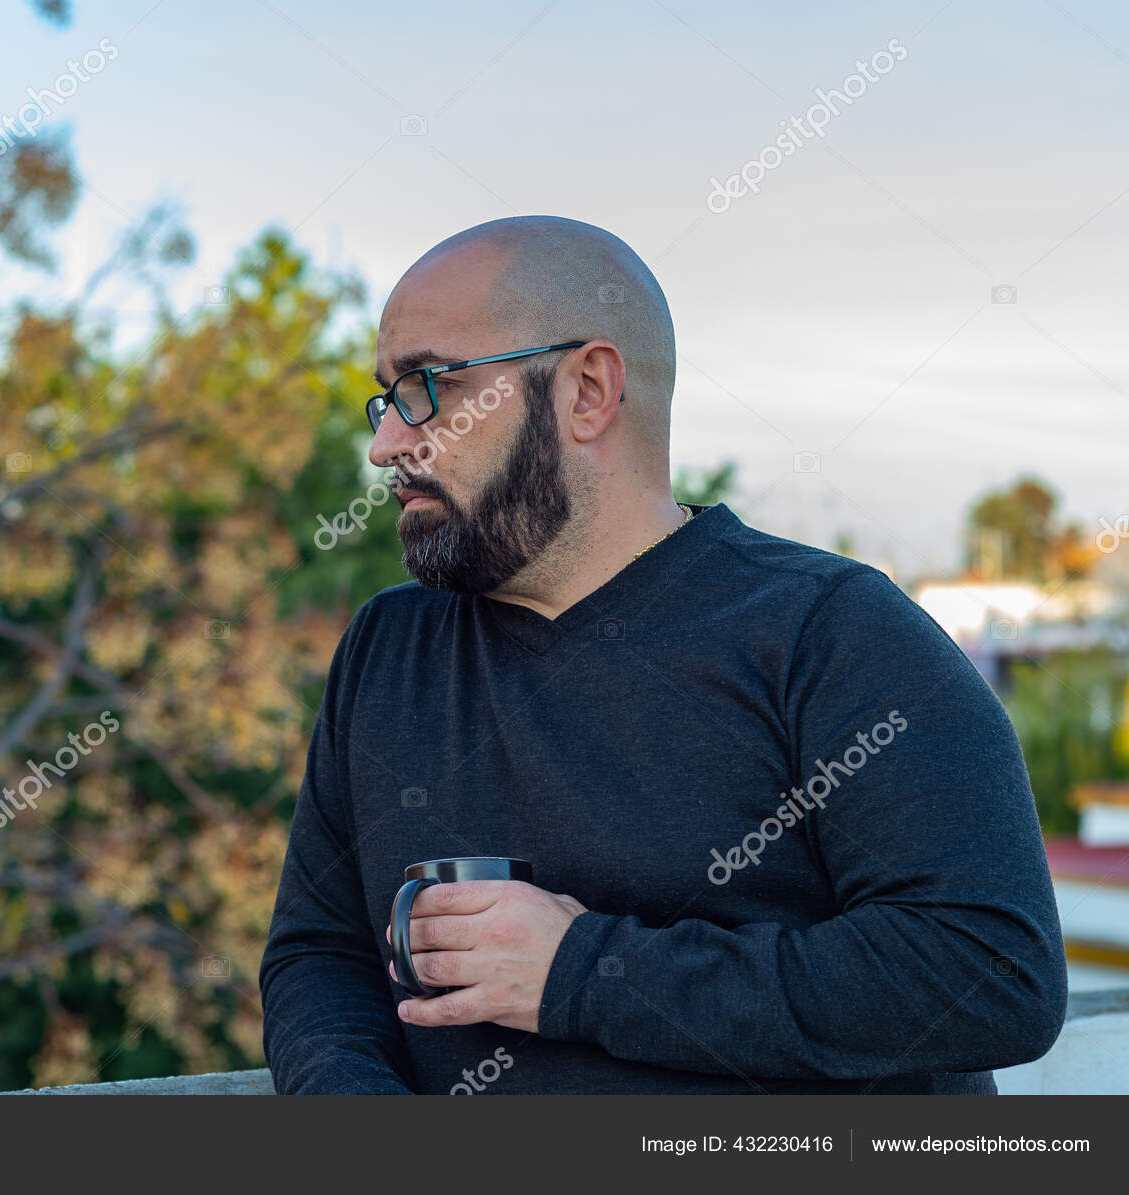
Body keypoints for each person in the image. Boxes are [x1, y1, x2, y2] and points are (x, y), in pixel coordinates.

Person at [257, 215, 1067, 1094]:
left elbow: (991, 973)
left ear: (587, 390)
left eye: (427, 387)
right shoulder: (388, 650)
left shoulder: (831, 632)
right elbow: (320, 954)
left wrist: (582, 972)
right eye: (386, 398)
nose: (386, 444)